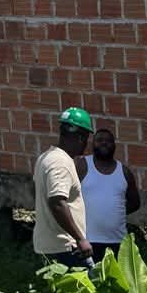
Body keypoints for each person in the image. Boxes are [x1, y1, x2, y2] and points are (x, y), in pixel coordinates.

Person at [34, 107, 95, 270]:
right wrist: (80, 239)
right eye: (87, 138)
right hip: (65, 248)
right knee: (84, 286)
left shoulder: (46, 157)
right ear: (81, 137)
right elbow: (57, 202)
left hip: (50, 245)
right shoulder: (60, 163)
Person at [76, 125, 141, 259]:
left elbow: (135, 203)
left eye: (108, 141)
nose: (104, 143)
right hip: (88, 241)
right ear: (93, 144)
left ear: (114, 146)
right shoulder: (82, 166)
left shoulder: (124, 172)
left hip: (118, 241)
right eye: (99, 140)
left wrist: (114, 212)